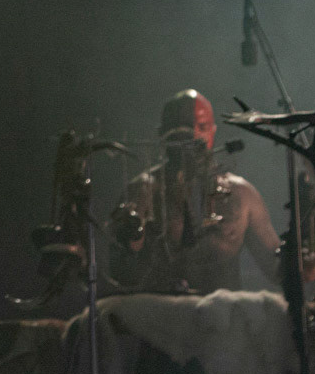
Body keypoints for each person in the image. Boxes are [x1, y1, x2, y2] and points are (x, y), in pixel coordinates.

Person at [110, 90, 282, 294]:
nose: (193, 137)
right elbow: (120, 273)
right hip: (163, 316)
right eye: (182, 129)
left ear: (213, 131)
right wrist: (133, 241)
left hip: (224, 319)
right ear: (163, 133)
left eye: (201, 127)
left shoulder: (242, 194)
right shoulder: (142, 190)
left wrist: (303, 262)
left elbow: (277, 270)